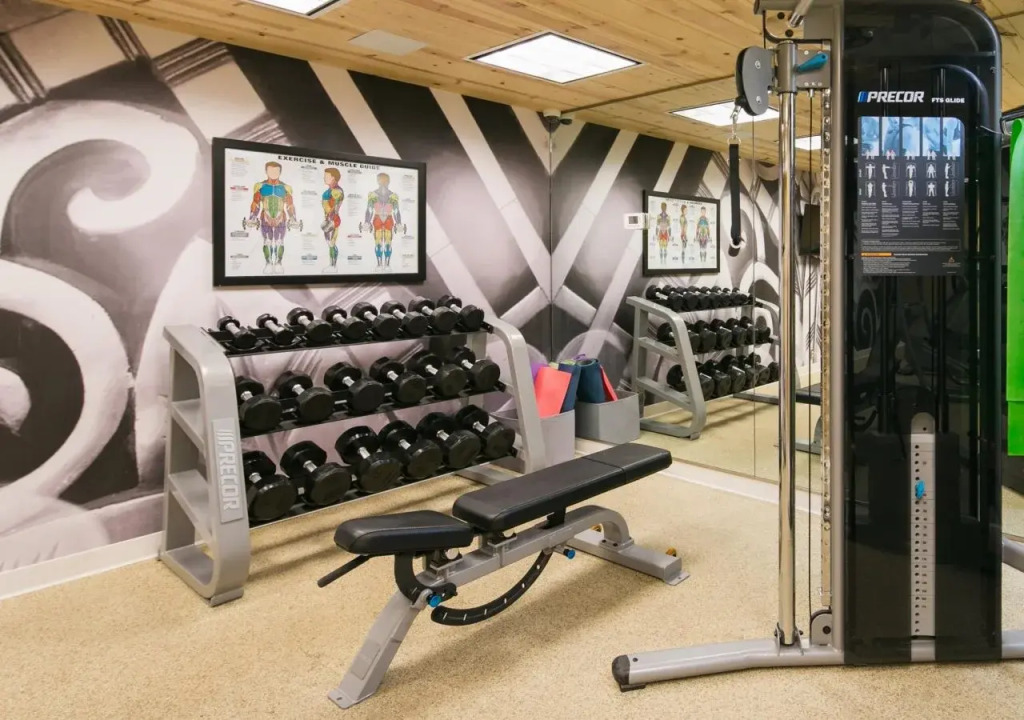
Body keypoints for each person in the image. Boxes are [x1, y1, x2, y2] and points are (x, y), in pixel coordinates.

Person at [248, 161, 296, 274]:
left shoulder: (285, 188)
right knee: (267, 241)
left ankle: (278, 263)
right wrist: (252, 217)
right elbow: (255, 203)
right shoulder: (260, 186)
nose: (273, 173)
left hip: (281, 218)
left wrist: (293, 218)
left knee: (280, 241)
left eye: (276, 171)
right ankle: (268, 263)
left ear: (280, 172)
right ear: (266, 171)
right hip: (265, 218)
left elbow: (290, 204)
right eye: (271, 170)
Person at [363, 172, 403, 268]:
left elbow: (396, 210)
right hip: (378, 220)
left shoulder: (393, 196)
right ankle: (379, 263)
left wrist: (399, 223)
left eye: (385, 181)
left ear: (388, 182)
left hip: (388, 221)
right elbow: (369, 209)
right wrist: (367, 222)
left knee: (388, 244)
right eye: (381, 181)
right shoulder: (373, 195)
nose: (383, 183)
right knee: (378, 244)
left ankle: (387, 264)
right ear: (378, 181)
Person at [321, 167, 344, 273]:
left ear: (333, 178)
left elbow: (335, 208)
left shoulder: (337, 191)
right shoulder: (328, 191)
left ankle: (333, 266)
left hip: (333, 220)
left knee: (331, 243)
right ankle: (332, 265)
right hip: (328, 220)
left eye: (327, 176)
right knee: (329, 243)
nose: (324, 178)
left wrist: (330, 221)